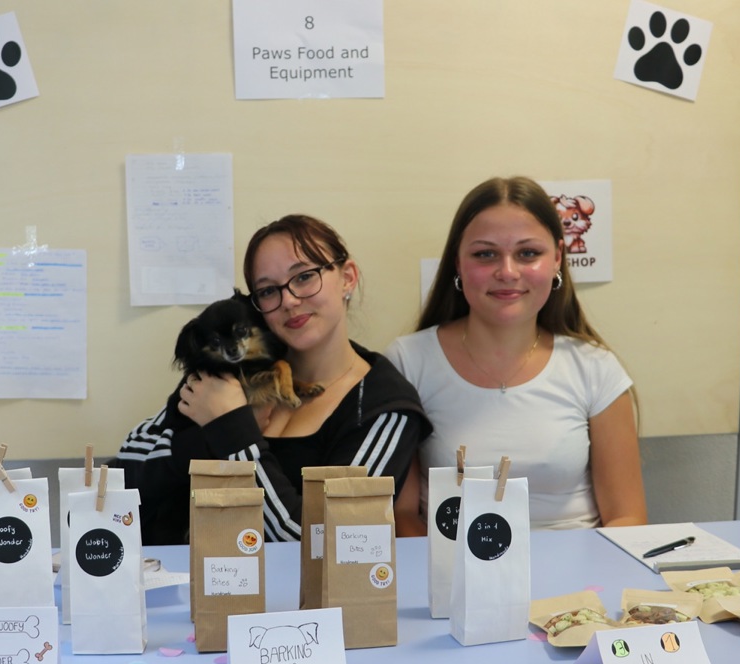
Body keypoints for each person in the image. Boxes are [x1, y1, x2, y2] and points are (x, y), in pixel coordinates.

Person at [111, 214, 431, 545]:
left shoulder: (383, 406)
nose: (289, 300)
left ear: (347, 277)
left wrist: (232, 431)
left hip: (304, 597)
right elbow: (124, 472)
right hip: (187, 584)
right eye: (267, 291)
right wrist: (205, 439)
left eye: (305, 277)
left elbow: (322, 542)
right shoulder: (235, 370)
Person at [386, 177, 646, 533]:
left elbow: (627, 518)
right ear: (458, 265)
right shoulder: (407, 362)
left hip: (575, 581)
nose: (507, 272)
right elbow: (401, 517)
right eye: (485, 254)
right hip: (454, 581)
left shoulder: (596, 368)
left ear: (557, 258)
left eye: (527, 253)